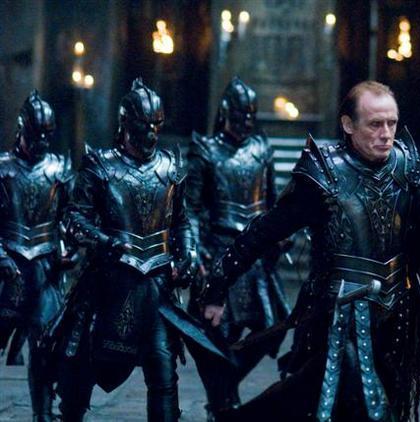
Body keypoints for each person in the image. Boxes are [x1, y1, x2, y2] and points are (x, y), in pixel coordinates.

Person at [199, 81, 420, 421]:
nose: (386, 134)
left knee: (386, 404)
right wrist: (217, 288)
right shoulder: (324, 175)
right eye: (375, 124)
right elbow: (262, 233)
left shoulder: (408, 167)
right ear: (348, 125)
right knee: (353, 403)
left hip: (398, 317)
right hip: (339, 315)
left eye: (392, 123)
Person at [53, 78, 228, 421]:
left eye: (156, 125)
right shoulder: (101, 165)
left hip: (157, 288)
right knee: (81, 369)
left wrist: (187, 254)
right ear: (126, 123)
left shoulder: (169, 166)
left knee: (163, 375)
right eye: (143, 124)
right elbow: (74, 217)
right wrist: (104, 240)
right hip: (108, 283)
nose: (150, 133)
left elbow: (180, 221)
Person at [186, 76, 290, 420]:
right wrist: (196, 250)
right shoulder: (206, 150)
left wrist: (282, 234)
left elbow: (273, 203)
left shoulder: (262, 149)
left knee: (272, 327)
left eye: (250, 115)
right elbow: (192, 208)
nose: (246, 121)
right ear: (225, 112)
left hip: (256, 253)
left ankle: (224, 389)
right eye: (240, 114)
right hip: (219, 250)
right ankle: (223, 402)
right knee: (219, 332)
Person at [0, 91, 74, 422]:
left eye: (47, 135)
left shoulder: (59, 169)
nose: (42, 141)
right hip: (8, 268)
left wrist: (70, 247)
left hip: (45, 269)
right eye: (36, 134)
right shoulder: (3, 170)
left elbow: (71, 217)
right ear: (22, 129)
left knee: (45, 347)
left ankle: (42, 415)